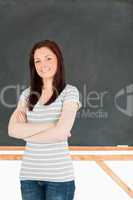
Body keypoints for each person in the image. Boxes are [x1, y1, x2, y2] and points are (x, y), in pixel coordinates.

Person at [8, 39, 82, 200]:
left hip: (60, 179)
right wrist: (52, 125)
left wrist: (26, 132)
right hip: (29, 177)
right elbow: (12, 130)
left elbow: (61, 133)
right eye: (37, 61)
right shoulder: (27, 95)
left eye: (48, 58)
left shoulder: (70, 92)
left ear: (58, 59)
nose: (43, 65)